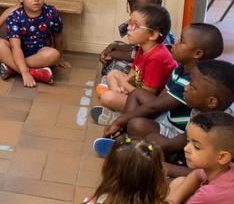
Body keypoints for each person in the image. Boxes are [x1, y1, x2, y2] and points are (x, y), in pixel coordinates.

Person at [100, 60, 234, 194]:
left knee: (157, 182)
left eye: (192, 87)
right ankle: (132, 149)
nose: (186, 87)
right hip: (209, 168)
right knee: (152, 143)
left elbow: (203, 174)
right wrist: (161, 147)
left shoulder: (220, 129)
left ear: (211, 102)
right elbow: (188, 137)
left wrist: (158, 166)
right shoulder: (203, 111)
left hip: (233, 190)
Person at [95, 22, 224, 132]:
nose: (175, 43)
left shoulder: (192, 80)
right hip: (164, 113)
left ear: (197, 53)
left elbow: (155, 106)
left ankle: (124, 127)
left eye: (181, 41)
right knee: (137, 95)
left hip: (174, 128)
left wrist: (121, 121)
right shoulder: (181, 67)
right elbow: (159, 100)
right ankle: (125, 122)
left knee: (137, 125)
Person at [0, 0, 68, 87]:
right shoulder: (15, 17)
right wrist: (25, 73)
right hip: (16, 52)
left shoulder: (51, 12)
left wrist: (60, 56)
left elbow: (58, 35)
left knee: (54, 54)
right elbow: (15, 47)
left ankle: (12, 68)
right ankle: (33, 72)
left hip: (40, 55)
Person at [95, 4, 175, 112]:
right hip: (139, 89)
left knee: (107, 98)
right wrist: (123, 87)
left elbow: (147, 96)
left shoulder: (157, 58)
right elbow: (133, 74)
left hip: (150, 102)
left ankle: (118, 109)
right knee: (113, 73)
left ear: (153, 35)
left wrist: (124, 84)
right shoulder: (143, 48)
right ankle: (118, 104)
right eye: (130, 23)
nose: (128, 28)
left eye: (135, 26)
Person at [99, 0, 174, 78]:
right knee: (116, 44)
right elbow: (136, 47)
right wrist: (113, 47)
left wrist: (113, 53)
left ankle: (109, 83)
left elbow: (141, 53)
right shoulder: (136, 21)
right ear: (130, 8)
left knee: (116, 67)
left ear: (158, 7)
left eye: (147, 9)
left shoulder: (158, 31)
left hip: (150, 64)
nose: (142, 13)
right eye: (137, 9)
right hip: (141, 54)